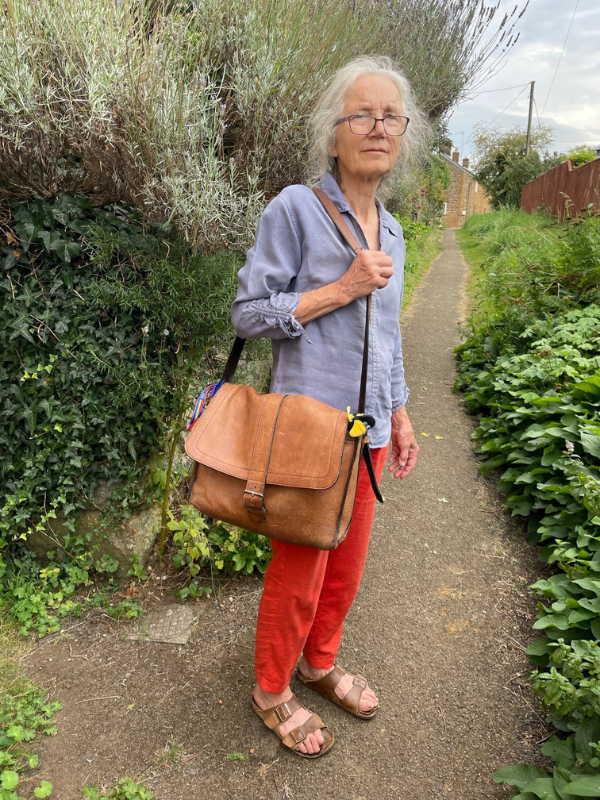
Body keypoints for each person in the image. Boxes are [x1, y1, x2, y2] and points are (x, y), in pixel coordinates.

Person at [231, 55, 425, 758]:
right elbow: (248, 313)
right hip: (312, 434)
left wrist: (398, 414)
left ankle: (317, 665)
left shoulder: (395, 232)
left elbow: (388, 333)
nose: (377, 127)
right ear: (334, 136)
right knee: (302, 567)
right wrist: (339, 288)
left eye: (390, 116)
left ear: (403, 134)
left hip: (366, 429)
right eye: (361, 115)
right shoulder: (295, 211)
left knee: (346, 566)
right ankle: (270, 689)